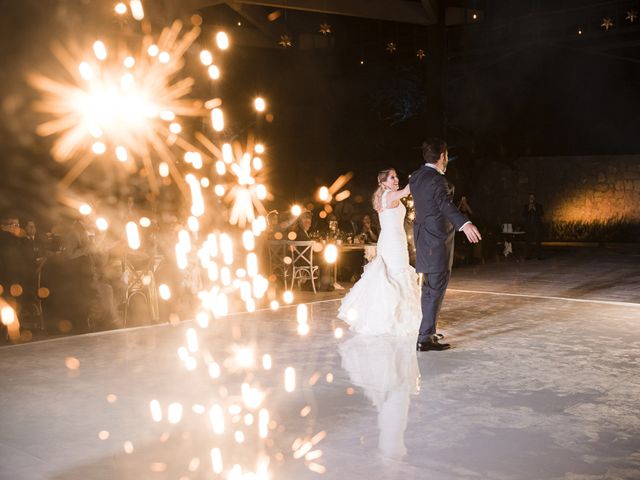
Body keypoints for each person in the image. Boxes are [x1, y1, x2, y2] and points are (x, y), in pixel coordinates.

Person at [409, 139, 481, 352]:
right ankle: (425, 338)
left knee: (428, 288)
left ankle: (428, 330)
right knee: (435, 287)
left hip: (423, 239)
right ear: (442, 157)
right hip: (436, 240)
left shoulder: (416, 177)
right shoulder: (436, 181)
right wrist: (465, 224)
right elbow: (444, 205)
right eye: (446, 155)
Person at [337, 168, 420, 335]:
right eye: (392, 178)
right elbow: (407, 190)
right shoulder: (389, 195)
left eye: (396, 176)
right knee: (397, 275)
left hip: (393, 240)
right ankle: (395, 319)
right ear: (383, 183)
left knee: (393, 275)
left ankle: (396, 316)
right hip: (393, 243)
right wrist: (422, 173)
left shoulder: (385, 196)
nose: (396, 180)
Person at [523, 193, 544, 259]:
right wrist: (528, 209)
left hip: (536, 227)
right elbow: (523, 215)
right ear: (529, 199)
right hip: (529, 227)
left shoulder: (539, 206)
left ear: (534, 198)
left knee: (538, 241)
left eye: (533, 197)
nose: (531, 198)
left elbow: (542, 214)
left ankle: (539, 256)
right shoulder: (526, 206)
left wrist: (535, 209)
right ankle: (528, 256)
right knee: (528, 242)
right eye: (530, 197)